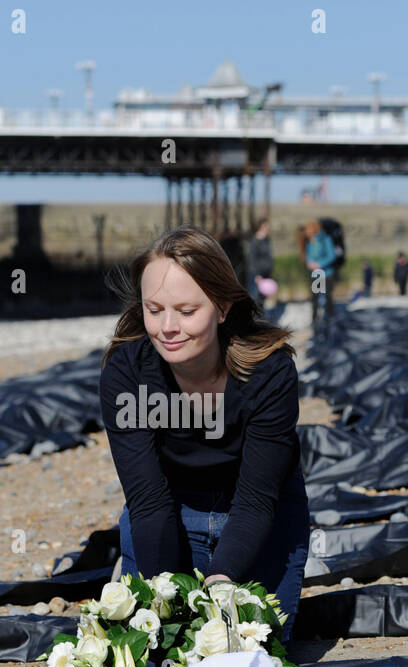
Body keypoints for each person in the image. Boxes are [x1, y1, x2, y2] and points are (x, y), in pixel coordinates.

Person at [101, 225, 310, 645]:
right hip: (171, 510)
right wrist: (167, 596)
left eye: (186, 310)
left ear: (222, 306)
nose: (167, 327)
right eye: (154, 309)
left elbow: (255, 499)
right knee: (161, 658)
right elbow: (146, 500)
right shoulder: (126, 374)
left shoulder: (269, 372)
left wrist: (219, 587)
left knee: (251, 658)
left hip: (261, 517)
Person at [302, 220, 337, 323]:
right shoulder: (310, 242)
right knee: (315, 297)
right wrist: (309, 263)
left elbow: (332, 256)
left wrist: (319, 264)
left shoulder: (326, 239)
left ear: (315, 230)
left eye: (309, 231)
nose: (308, 233)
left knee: (327, 297)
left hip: (326, 273)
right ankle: (314, 319)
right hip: (315, 274)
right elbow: (309, 255)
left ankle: (329, 317)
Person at [246, 218, 274, 305]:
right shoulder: (255, 241)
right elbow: (252, 259)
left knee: (263, 297)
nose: (268, 228)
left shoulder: (266, 240)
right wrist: (257, 275)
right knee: (255, 297)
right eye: (266, 226)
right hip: (257, 274)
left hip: (266, 272)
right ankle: (254, 318)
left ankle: (261, 316)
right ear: (261, 227)